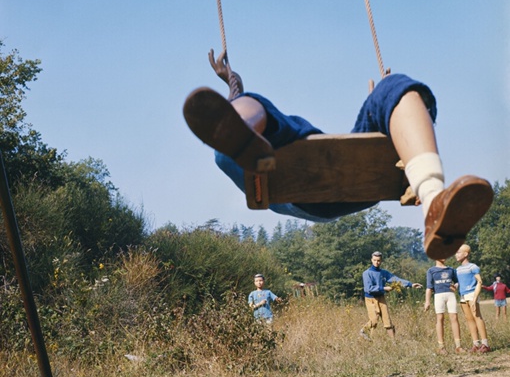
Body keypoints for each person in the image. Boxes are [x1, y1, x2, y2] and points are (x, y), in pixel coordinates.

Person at [183, 50, 494, 260]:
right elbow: (235, 109)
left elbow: (238, 104)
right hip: (306, 185)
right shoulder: (266, 140)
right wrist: (234, 87)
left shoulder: (273, 133)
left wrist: (233, 86)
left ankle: (433, 202)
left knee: (395, 87)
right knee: (253, 107)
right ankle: (246, 136)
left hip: (310, 175)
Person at [360, 251, 422, 339]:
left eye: (378, 260)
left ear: (381, 261)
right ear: (371, 260)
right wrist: (383, 288)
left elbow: (395, 279)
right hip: (370, 299)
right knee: (374, 320)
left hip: (381, 298)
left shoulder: (383, 272)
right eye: (374, 260)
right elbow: (368, 288)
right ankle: (363, 331)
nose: (376, 262)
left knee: (387, 321)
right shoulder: (367, 273)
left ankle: (393, 342)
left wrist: (410, 284)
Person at [455, 244, 491, 353]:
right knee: (469, 319)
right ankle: (476, 344)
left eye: (458, 252)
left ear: (466, 254)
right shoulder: (458, 269)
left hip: (472, 294)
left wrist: (475, 298)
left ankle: (485, 344)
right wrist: (455, 286)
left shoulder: (473, 267)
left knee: (477, 317)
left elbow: (479, 281)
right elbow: (459, 282)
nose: (456, 255)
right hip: (462, 296)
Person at [424, 259, 464, 354]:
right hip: (438, 295)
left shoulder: (451, 269)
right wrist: (427, 301)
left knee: (454, 317)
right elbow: (429, 287)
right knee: (440, 318)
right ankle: (441, 347)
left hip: (450, 295)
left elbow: (457, 282)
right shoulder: (431, 270)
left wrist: (456, 286)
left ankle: (458, 346)